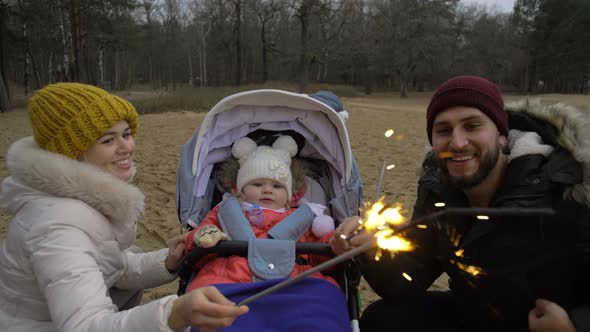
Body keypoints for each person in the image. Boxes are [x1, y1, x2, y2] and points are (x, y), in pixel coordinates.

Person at [332, 75, 590, 331]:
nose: (457, 143)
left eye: (472, 126)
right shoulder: (439, 192)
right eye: (443, 130)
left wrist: (574, 325)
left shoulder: (566, 191)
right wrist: (371, 250)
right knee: (384, 318)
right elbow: (409, 280)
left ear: (502, 135)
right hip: (476, 313)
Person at [0, 83, 248, 332]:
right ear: (72, 152)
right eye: (108, 140)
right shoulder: (58, 228)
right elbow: (85, 325)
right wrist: (172, 315)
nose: (126, 147)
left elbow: (113, 267)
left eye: (126, 134)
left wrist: (169, 260)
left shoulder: (82, 203)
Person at [185, 135, 337, 290]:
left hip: (293, 279)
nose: (267, 190)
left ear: (290, 195)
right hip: (231, 276)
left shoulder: (301, 217)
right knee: (204, 290)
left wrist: (334, 242)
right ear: (240, 190)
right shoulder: (225, 211)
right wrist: (204, 238)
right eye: (257, 184)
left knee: (327, 293)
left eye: (277, 186)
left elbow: (321, 258)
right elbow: (194, 251)